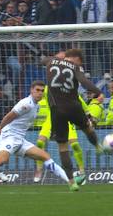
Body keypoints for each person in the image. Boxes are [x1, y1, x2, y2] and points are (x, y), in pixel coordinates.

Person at [0, 81, 70, 189]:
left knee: (45, 156)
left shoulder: (36, 106)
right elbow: (9, 116)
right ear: (31, 90)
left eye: (42, 91)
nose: (40, 93)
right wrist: (0, 128)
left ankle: (70, 181)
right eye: (37, 90)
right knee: (1, 160)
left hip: (19, 139)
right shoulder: (26, 104)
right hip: (10, 135)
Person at [43, 49, 105, 189]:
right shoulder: (75, 67)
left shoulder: (51, 61)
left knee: (63, 146)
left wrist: (54, 57)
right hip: (73, 106)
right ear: (76, 59)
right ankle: (97, 145)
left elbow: (42, 61)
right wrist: (98, 92)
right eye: (80, 62)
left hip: (56, 110)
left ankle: (71, 183)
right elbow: (84, 82)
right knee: (87, 127)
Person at [33, 86, 90, 184]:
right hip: (52, 118)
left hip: (68, 119)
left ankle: (82, 172)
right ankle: (39, 169)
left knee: (75, 145)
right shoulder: (47, 89)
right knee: (40, 142)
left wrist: (88, 116)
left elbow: (81, 103)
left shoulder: (70, 90)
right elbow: (36, 95)